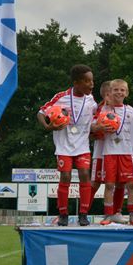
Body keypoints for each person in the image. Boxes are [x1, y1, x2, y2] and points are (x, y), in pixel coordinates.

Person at [38, 64, 97, 226]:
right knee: (66, 176)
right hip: (64, 145)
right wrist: (48, 126)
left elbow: (96, 118)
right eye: (87, 81)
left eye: (92, 80)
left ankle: (83, 214)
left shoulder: (91, 100)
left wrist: (96, 130)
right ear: (76, 83)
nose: (91, 84)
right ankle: (63, 214)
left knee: (85, 174)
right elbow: (41, 112)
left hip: (83, 146)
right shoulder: (61, 97)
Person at [97, 79, 133, 225]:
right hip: (109, 152)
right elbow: (95, 125)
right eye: (115, 89)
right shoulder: (104, 111)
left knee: (130, 185)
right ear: (109, 93)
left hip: (127, 153)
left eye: (122, 90)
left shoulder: (130, 109)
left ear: (127, 93)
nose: (119, 92)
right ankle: (108, 215)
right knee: (109, 185)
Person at [88, 81, 126, 221]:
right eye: (111, 93)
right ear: (106, 95)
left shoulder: (123, 109)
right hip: (100, 152)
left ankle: (117, 212)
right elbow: (90, 129)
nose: (115, 95)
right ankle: (83, 212)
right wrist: (97, 129)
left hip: (118, 152)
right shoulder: (99, 110)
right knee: (96, 182)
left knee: (120, 182)